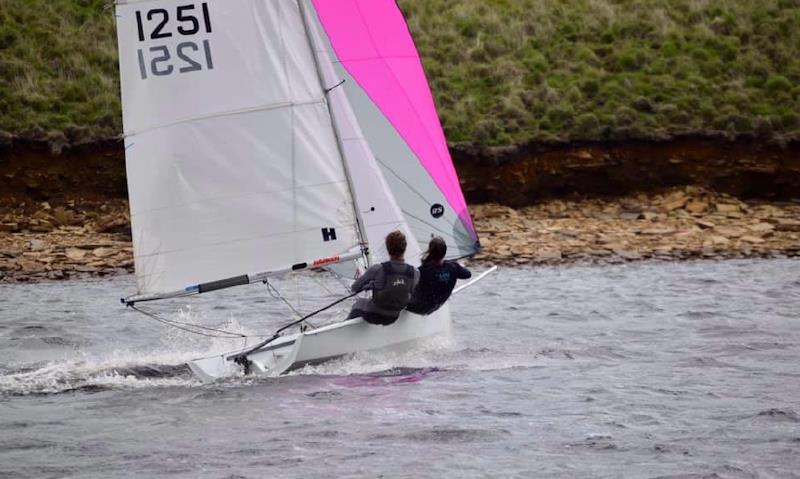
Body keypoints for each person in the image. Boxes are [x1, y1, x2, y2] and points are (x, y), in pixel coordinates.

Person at [348, 230, 419, 326]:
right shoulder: (415, 273)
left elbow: (354, 288)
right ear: (405, 248)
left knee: (358, 303)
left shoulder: (377, 269)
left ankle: (343, 334)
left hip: (374, 315)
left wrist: (370, 285)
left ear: (387, 248)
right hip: (394, 317)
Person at [406, 237, 471, 315]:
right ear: (445, 252)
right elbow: (468, 274)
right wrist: (454, 264)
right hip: (435, 306)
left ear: (430, 251)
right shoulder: (453, 267)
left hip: (417, 307)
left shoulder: (423, 270)